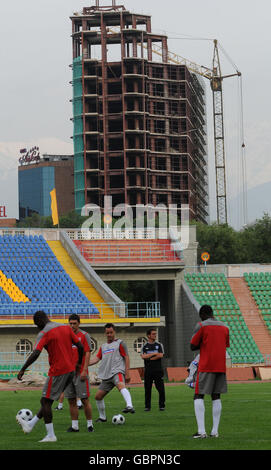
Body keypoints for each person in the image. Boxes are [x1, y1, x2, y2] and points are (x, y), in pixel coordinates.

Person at [16, 311, 84, 442]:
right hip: (70, 370)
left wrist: (23, 369)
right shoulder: (65, 327)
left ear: (40, 321)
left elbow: (36, 352)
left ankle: (51, 435)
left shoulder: (44, 333)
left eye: (37, 325)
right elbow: (80, 346)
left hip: (58, 371)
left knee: (45, 401)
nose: (38, 328)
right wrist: (78, 364)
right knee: (49, 400)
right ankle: (30, 424)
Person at [190, 304, 230, 439]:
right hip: (221, 366)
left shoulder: (201, 325)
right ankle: (215, 431)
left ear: (202, 314)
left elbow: (192, 345)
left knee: (198, 395)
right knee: (216, 396)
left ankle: (201, 431)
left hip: (206, 365)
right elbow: (224, 345)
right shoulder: (225, 327)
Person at [89, 323, 135, 422]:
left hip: (117, 371)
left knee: (120, 386)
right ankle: (102, 417)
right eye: (107, 333)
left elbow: (126, 357)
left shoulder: (120, 343)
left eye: (111, 332)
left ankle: (129, 406)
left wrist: (127, 372)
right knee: (98, 397)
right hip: (106, 375)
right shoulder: (103, 346)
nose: (109, 334)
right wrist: (84, 364)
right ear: (105, 333)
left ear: (114, 332)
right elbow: (96, 359)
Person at [64, 314, 94, 432]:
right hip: (68, 373)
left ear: (79, 323)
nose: (72, 326)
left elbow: (87, 353)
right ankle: (75, 426)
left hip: (80, 372)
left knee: (84, 399)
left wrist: (84, 370)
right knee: (71, 400)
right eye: (70, 323)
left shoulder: (84, 335)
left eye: (74, 323)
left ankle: (90, 425)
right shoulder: (66, 336)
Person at [140, 329, 165, 411]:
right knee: (147, 389)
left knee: (161, 389)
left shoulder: (159, 345)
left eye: (155, 334)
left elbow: (160, 355)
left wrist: (149, 357)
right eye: (153, 334)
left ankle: (162, 406)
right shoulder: (144, 346)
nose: (155, 335)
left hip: (158, 370)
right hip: (148, 371)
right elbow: (143, 356)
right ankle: (147, 407)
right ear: (148, 336)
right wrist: (154, 354)